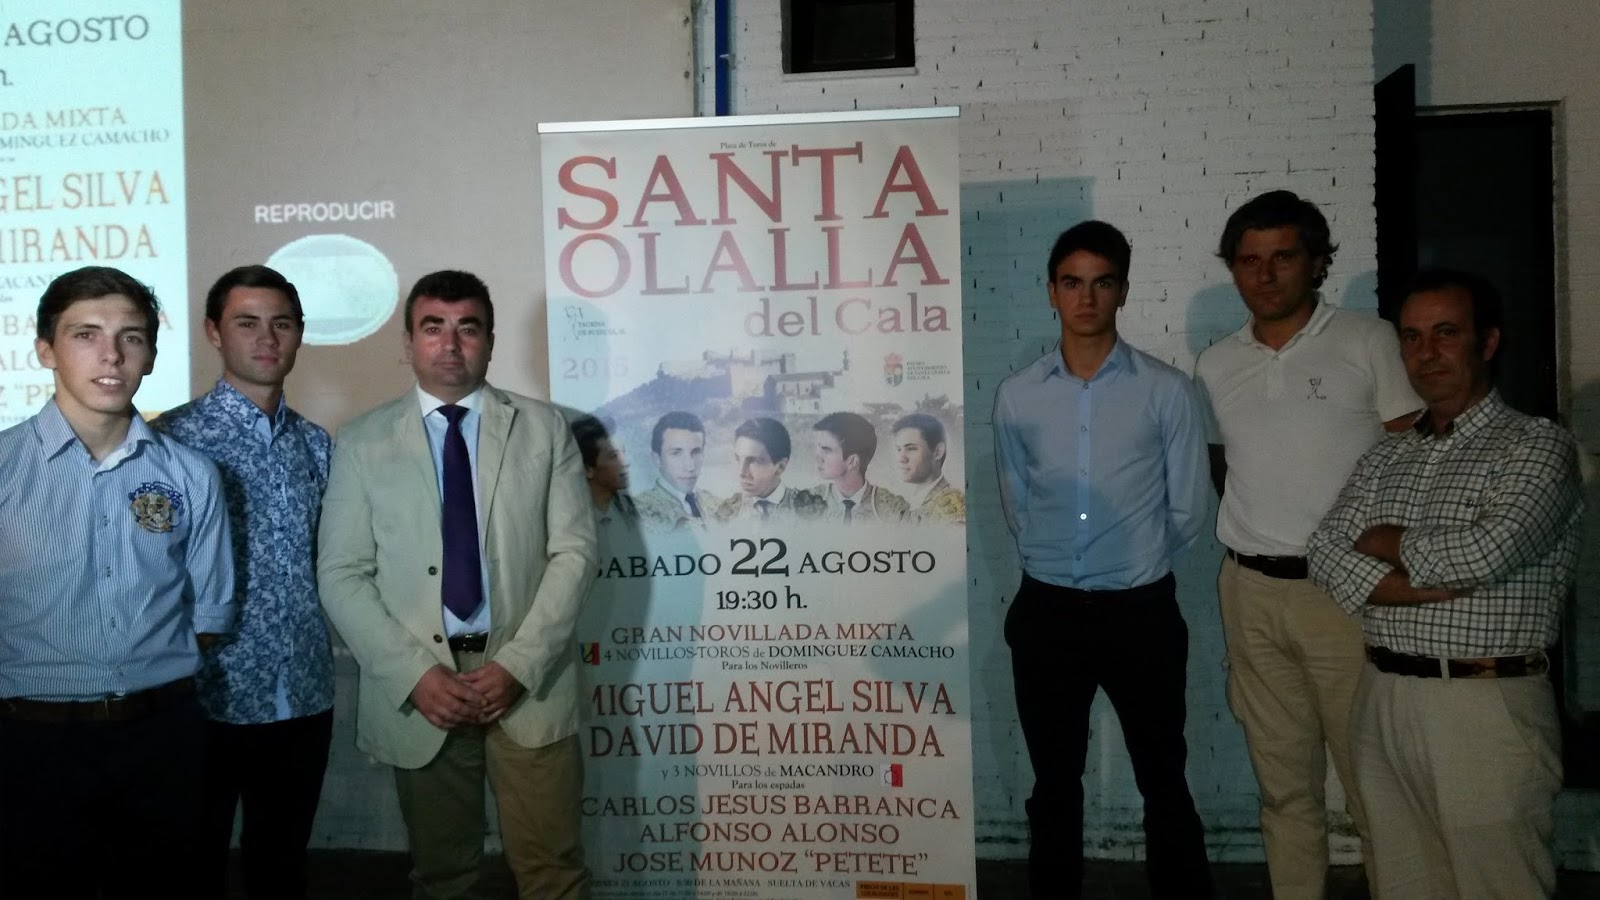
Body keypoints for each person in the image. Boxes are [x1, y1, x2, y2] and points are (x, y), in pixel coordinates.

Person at [317, 270, 597, 900]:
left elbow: (575, 553)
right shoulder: (362, 441)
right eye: (433, 327)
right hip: (425, 687)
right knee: (443, 877)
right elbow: (341, 573)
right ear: (408, 342)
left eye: (467, 328)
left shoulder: (544, 428)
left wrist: (519, 666)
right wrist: (414, 675)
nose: (450, 344)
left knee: (553, 871)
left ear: (490, 341)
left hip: (527, 682)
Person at [1307, 268, 1581, 898]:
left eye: (1446, 333)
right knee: (1402, 883)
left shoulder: (1536, 447)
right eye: (1411, 337)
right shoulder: (1386, 455)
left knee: (1498, 882)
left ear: (1488, 342)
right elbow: (1323, 551)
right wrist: (1407, 584)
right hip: (1382, 697)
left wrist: (1382, 540)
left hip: (1484, 703)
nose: (1426, 353)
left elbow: (1485, 551)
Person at [1193, 189, 1419, 897]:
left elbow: (1413, 456)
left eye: (1283, 257)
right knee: (1283, 786)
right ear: (1233, 268)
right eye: (1249, 260)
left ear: (1317, 262)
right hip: (1251, 593)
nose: (1265, 275)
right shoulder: (1215, 364)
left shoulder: (1368, 340)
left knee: (1373, 781)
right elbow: (1224, 465)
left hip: (1345, 596)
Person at [0, 266, 237, 898]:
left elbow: (208, 616)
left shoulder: (192, 474)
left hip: (161, 739)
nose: (111, 355)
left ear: (151, 355)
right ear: (45, 349)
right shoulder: (3, 469)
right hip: (29, 743)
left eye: (131, 337)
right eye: (86, 334)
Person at [994, 221, 1212, 899]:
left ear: (1122, 290)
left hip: (1139, 613)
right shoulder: (1018, 394)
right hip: (1048, 611)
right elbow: (1018, 501)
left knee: (1162, 776)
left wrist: (1133, 562)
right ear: (1051, 292)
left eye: (1101, 283)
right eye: (1072, 283)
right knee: (1054, 781)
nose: (1086, 298)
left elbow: (1189, 508)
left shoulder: (1166, 390)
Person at [153, 265, 334, 900]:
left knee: (281, 869)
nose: (266, 338)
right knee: (191, 869)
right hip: (203, 697)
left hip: (302, 694)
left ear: (299, 334)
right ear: (213, 332)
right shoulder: (170, 440)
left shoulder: (316, 445)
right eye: (247, 322)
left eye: (281, 323)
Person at [713, 416, 824, 522]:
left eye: (754, 461)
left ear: (780, 467)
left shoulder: (811, 510)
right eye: (738, 459)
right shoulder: (726, 514)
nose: (741, 472)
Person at [811, 411, 908, 523]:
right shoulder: (807, 501)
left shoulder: (893, 509)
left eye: (826, 450)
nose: (817, 456)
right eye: (818, 448)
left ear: (852, 462)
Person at [634, 411, 719, 530]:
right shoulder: (636, 512)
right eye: (676, 453)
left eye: (696, 452)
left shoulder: (718, 505)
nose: (690, 467)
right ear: (657, 459)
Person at [892, 412, 965, 523]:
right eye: (899, 449)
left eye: (911, 448)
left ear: (938, 452)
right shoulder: (914, 499)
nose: (901, 458)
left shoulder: (952, 510)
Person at [570, 414, 637, 527]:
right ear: (587, 469)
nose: (627, 462)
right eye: (614, 456)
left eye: (624, 452)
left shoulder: (635, 511)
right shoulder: (569, 519)